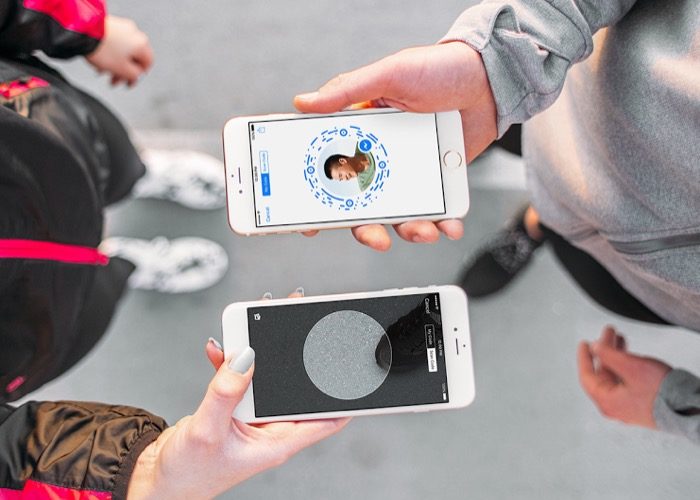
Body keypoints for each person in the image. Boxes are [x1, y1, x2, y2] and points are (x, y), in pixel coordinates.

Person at [293, 0, 700, 443]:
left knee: (562, 233)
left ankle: (533, 226)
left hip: (654, 280)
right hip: (583, 101)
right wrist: (500, 65)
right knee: (485, 125)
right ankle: (475, 147)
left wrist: (680, 409)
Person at [0, 2, 346, 497]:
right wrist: (143, 474)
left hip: (39, 132)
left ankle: (142, 176)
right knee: (99, 289)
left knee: (112, 160)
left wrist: (83, 26)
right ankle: (127, 264)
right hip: (28, 330)